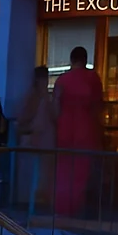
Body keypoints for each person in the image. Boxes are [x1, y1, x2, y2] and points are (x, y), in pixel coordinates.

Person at [53, 46, 103, 217]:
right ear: (85, 60)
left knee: (64, 172)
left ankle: (62, 210)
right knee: (81, 173)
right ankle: (76, 211)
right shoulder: (92, 79)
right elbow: (98, 108)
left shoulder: (61, 81)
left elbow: (56, 109)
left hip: (64, 131)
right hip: (86, 132)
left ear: (71, 59)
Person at [16, 65, 55, 207]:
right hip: (36, 142)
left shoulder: (42, 97)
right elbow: (24, 118)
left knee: (39, 175)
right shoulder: (35, 97)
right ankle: (31, 203)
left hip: (41, 142)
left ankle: (34, 202)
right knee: (35, 176)